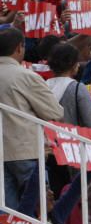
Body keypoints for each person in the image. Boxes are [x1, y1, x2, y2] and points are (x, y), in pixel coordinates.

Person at [0, 29, 64, 210]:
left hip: (4, 152)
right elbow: (55, 112)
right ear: (19, 48)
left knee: (7, 215)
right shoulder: (26, 76)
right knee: (40, 209)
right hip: (26, 150)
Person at [46, 42, 91, 128]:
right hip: (71, 139)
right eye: (77, 61)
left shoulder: (43, 85)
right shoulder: (78, 88)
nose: (78, 65)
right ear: (72, 64)